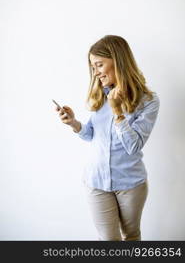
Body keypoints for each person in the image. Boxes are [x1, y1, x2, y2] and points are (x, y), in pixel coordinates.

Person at [54, 35, 160, 241]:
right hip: (96, 182)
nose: (96, 73)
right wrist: (74, 122)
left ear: (117, 60)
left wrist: (118, 111)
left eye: (99, 65)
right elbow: (91, 135)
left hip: (131, 185)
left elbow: (134, 146)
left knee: (131, 236)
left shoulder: (148, 100)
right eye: (93, 67)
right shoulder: (100, 94)